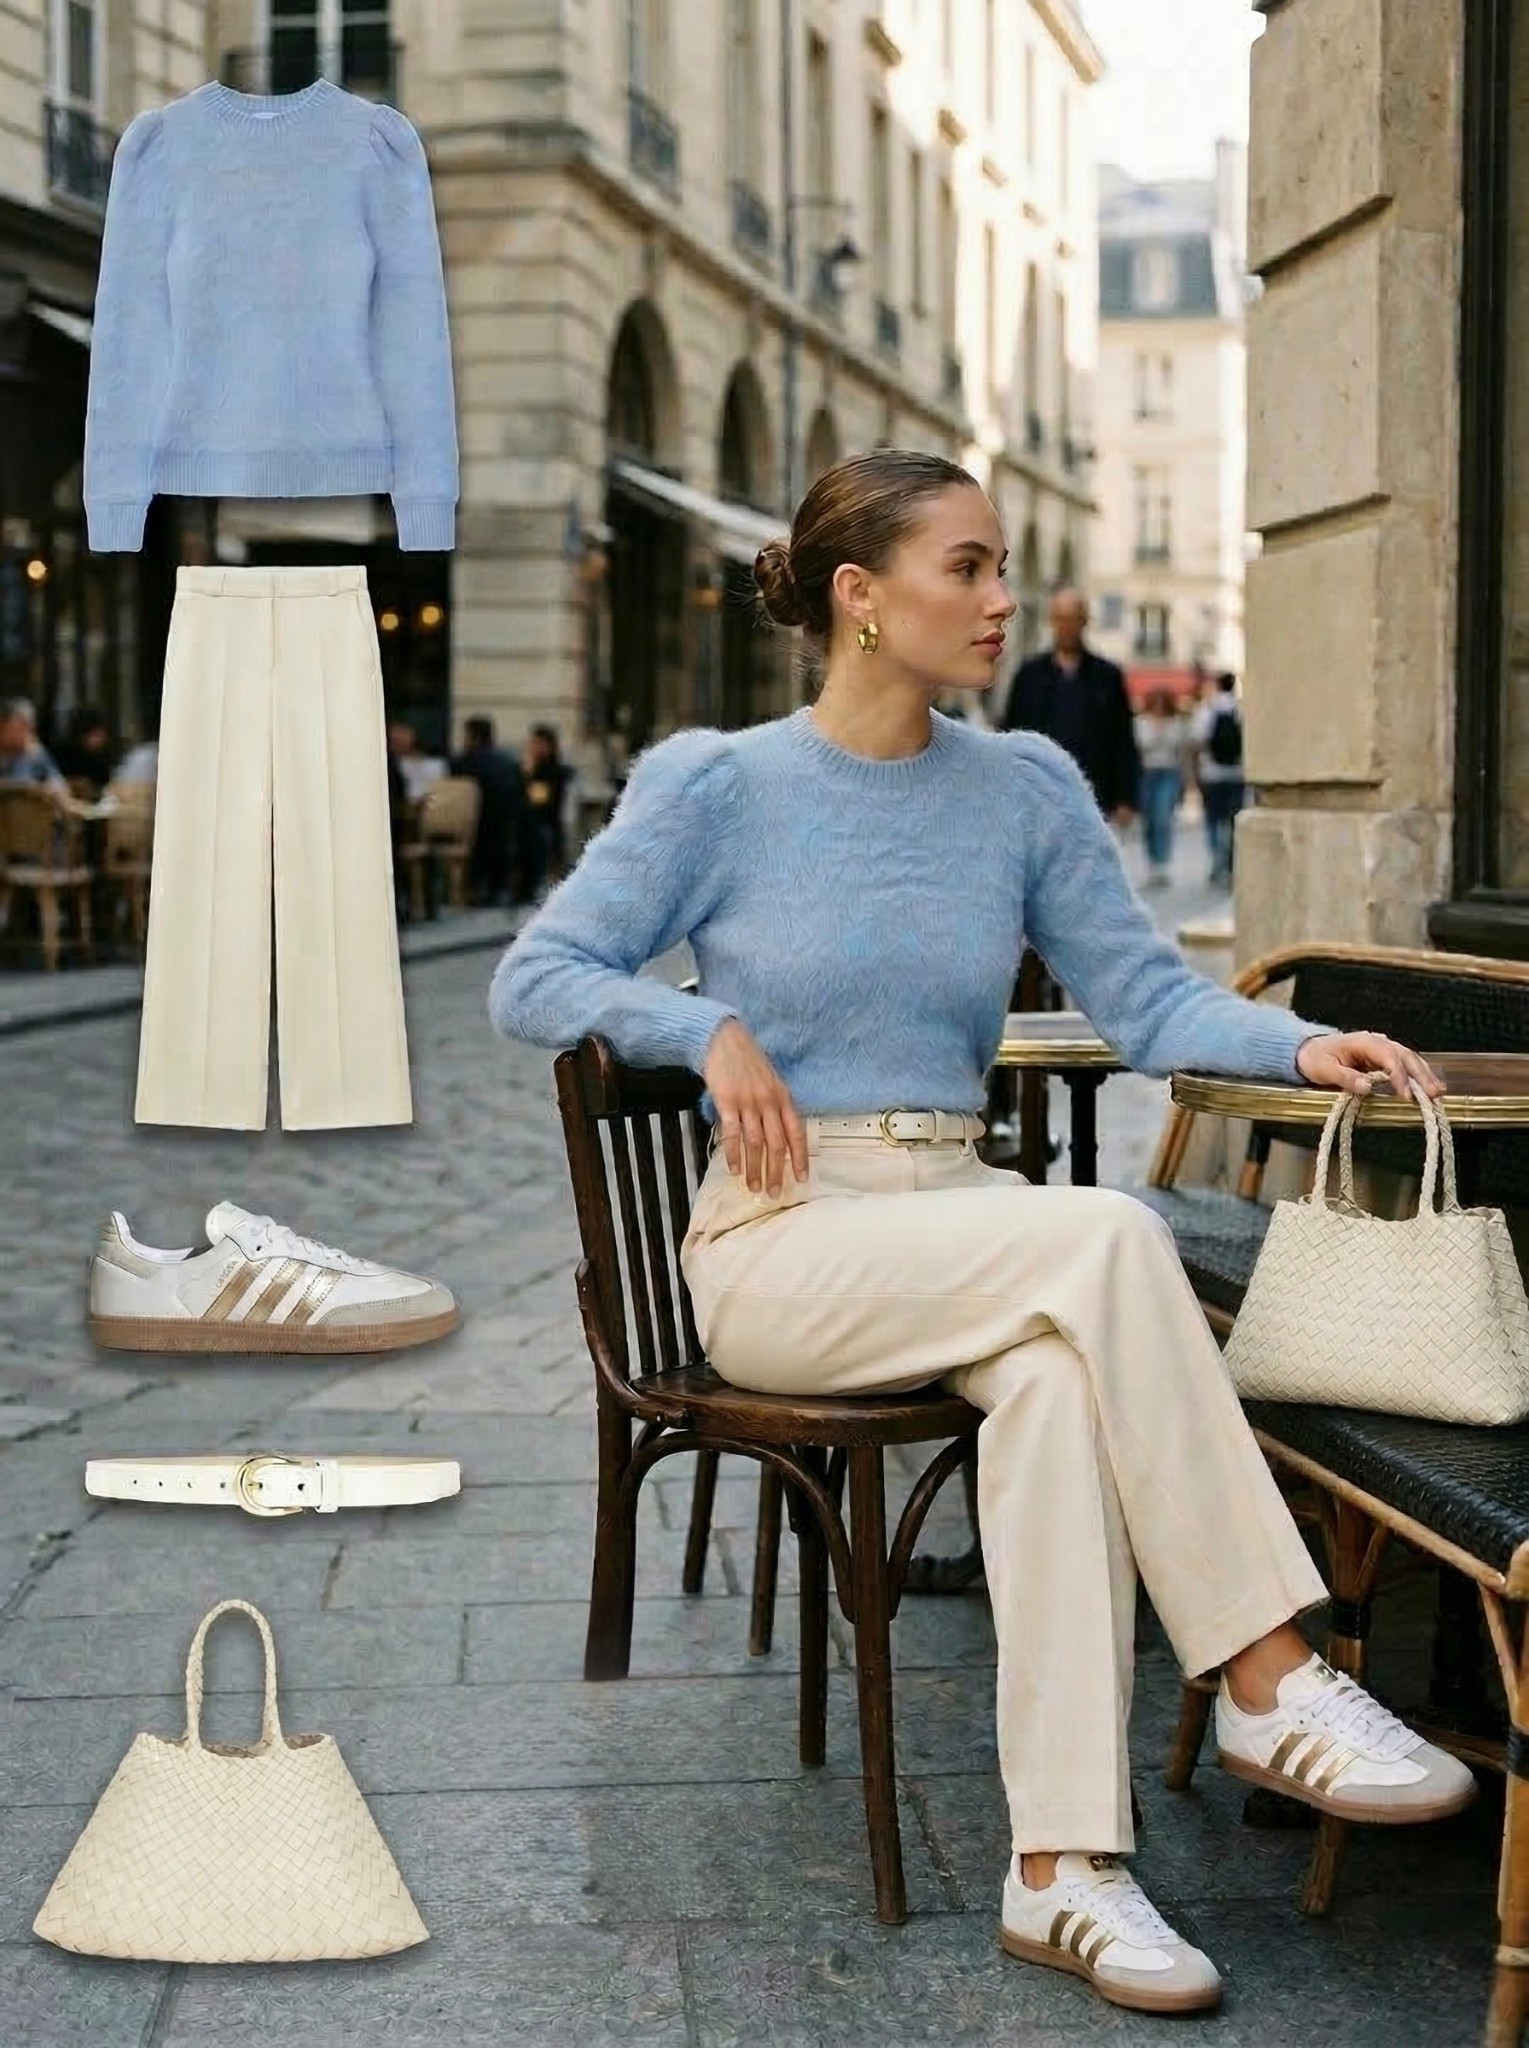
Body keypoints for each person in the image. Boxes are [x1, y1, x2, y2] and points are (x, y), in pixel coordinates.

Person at [489, 450, 1469, 2021]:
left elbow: (1144, 1003)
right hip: (785, 1241)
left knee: (1060, 1387)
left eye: (1004, 564)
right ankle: (1266, 1672)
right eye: (968, 567)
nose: (1004, 597)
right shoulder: (717, 784)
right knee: (1109, 1238)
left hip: (965, 1221)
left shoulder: (1024, 788)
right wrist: (703, 1028)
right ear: (860, 599)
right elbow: (536, 975)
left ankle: (1061, 1869)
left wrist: (1300, 1046)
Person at [997, 589, 1140, 825]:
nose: (1067, 627)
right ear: (1052, 622)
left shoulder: (1107, 677)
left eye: (1073, 619)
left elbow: (1123, 739)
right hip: (1038, 795)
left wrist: (1126, 798)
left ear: (1084, 622)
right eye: (1061, 619)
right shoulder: (1030, 676)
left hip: (1094, 796)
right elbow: (1010, 734)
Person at [451, 716, 530, 906]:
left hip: (475, 828)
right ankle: (498, 890)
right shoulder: (509, 762)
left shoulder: (463, 763)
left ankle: (471, 890)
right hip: (506, 829)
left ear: (472, 737)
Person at [1132, 686, 1190, 887]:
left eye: (1162, 703)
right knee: (1149, 821)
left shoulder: (1176, 723)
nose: (1159, 707)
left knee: (1162, 817)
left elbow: (1182, 752)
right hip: (1146, 773)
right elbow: (1138, 748)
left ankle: (1162, 864)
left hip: (1168, 772)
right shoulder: (1140, 722)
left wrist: (1187, 780)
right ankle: (1152, 863)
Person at [1193, 672, 1246, 886]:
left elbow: (1198, 743)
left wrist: (1195, 775)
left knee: (1213, 820)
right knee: (1235, 821)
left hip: (1212, 774)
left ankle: (1216, 858)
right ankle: (1231, 863)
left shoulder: (1207, 709)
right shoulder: (1241, 709)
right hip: (1237, 773)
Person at [521, 722, 575, 897]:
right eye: (532, 743)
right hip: (531, 821)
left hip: (546, 823)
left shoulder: (553, 771)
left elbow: (539, 801)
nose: (533, 747)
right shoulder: (533, 769)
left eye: (538, 743)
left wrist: (528, 776)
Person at [0, 698, 66, 793]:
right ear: (3, 725)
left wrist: (51, 786)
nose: (26, 733)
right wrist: (25, 786)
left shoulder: (35, 751)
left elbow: (58, 782)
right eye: (22, 724)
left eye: (29, 727)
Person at [53, 708, 117, 794]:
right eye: (96, 735)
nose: (101, 740)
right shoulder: (64, 754)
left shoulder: (103, 758)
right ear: (83, 736)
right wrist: (73, 783)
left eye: (103, 735)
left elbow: (105, 786)